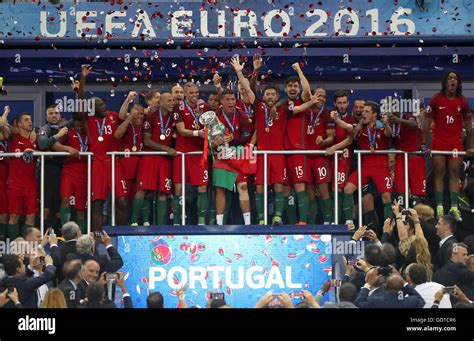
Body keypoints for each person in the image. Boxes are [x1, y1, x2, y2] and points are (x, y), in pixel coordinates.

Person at [76, 65, 128, 232]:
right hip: (97, 162)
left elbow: (124, 116)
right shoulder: (88, 120)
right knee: (97, 203)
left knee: (122, 201)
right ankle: (96, 234)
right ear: (93, 108)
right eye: (99, 105)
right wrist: (83, 78)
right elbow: (81, 99)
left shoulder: (113, 116)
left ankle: (122, 233)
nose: (103, 106)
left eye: (103, 104)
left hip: (113, 161)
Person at [423, 71, 472, 221]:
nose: (452, 81)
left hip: (455, 143)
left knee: (455, 172)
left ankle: (454, 207)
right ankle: (439, 206)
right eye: (450, 78)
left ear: (458, 83)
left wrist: (470, 146)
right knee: (439, 171)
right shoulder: (436, 99)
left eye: (455, 79)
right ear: (445, 82)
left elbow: (470, 128)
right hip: (438, 141)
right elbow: (426, 124)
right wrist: (424, 144)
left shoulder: (463, 102)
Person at [343, 102, 393, 229]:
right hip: (365, 165)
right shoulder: (361, 127)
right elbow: (353, 134)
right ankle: (349, 222)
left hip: (381, 165)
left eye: (366, 111)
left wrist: (386, 123)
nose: (363, 113)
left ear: (374, 114)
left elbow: (389, 134)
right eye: (363, 111)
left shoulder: (381, 126)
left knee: (386, 196)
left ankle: (388, 226)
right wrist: (361, 122)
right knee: (348, 189)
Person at [136, 92, 177, 226]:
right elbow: (147, 141)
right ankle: (133, 223)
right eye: (169, 101)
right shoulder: (151, 117)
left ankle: (161, 226)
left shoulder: (174, 118)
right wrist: (166, 148)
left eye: (173, 101)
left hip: (165, 160)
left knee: (163, 192)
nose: (172, 103)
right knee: (143, 190)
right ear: (161, 103)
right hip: (150, 157)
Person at [172, 82, 209, 225]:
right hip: (182, 153)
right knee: (178, 188)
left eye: (197, 92)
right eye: (192, 93)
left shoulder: (203, 107)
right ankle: (176, 222)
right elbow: (181, 130)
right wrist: (197, 132)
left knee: (202, 187)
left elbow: (211, 126)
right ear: (185, 94)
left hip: (199, 153)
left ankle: (201, 222)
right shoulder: (178, 108)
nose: (195, 95)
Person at [251, 85, 287, 225]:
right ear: (263, 96)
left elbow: (290, 101)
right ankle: (261, 219)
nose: (270, 96)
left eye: (273, 94)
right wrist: (240, 72)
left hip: (278, 153)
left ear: (277, 97)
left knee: (279, 185)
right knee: (259, 186)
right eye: (267, 94)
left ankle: (277, 217)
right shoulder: (259, 107)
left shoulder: (283, 109)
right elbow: (249, 89)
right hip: (261, 153)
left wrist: (277, 105)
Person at [51, 114, 88, 233]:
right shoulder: (69, 132)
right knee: (65, 199)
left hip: (85, 172)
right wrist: (68, 149)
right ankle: (66, 232)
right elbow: (54, 145)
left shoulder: (90, 133)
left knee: (81, 207)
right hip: (69, 170)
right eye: (77, 126)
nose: (79, 128)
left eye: (81, 125)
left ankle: (81, 235)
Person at [38, 104, 71, 230]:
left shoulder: (65, 127)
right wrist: (58, 135)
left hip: (63, 170)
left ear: (60, 115)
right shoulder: (45, 128)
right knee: (46, 207)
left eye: (56, 113)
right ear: (46, 117)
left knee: (59, 205)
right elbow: (42, 144)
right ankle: (43, 235)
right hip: (48, 171)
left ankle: (59, 235)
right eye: (51, 113)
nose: (54, 116)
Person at [116, 93, 147, 225]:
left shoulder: (145, 125)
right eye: (137, 114)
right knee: (122, 202)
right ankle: (119, 228)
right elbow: (117, 135)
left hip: (139, 169)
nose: (139, 116)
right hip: (124, 168)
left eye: (141, 114)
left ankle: (133, 224)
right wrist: (129, 118)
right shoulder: (127, 125)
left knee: (138, 199)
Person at [387, 103, 426, 207]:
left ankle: (417, 216)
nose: (392, 111)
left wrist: (399, 120)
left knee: (417, 191)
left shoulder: (407, 116)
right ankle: (402, 216)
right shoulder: (389, 124)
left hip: (415, 157)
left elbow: (413, 124)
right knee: (401, 188)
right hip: (401, 158)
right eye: (390, 109)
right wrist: (387, 125)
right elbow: (390, 143)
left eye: (395, 108)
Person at [326, 91, 357, 222]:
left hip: (344, 156)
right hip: (330, 157)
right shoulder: (328, 117)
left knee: (340, 187)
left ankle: (348, 221)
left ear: (348, 103)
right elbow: (329, 136)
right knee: (332, 188)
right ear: (334, 104)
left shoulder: (353, 119)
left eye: (344, 102)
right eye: (339, 103)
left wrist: (334, 147)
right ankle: (334, 221)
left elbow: (350, 138)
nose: (342, 105)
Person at [7, 112, 37, 239]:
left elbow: (48, 153)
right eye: (26, 120)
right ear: (19, 124)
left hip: (30, 184)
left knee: (31, 216)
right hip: (15, 183)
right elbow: (3, 126)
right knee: (14, 216)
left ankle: (28, 247)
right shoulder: (12, 138)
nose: (30, 122)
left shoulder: (35, 140)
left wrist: (34, 151)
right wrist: (6, 113)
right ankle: (14, 246)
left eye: (30, 119)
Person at [355, 273, 425, 308]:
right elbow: (421, 300)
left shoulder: (376, 301)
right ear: (402, 287)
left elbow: (359, 304)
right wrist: (404, 283)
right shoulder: (411, 302)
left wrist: (368, 284)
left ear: (386, 287)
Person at [0, 106, 11, 240]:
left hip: (5, 180)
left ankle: (2, 240)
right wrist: (6, 112)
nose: (6, 125)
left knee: (4, 213)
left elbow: (5, 131)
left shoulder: (6, 138)